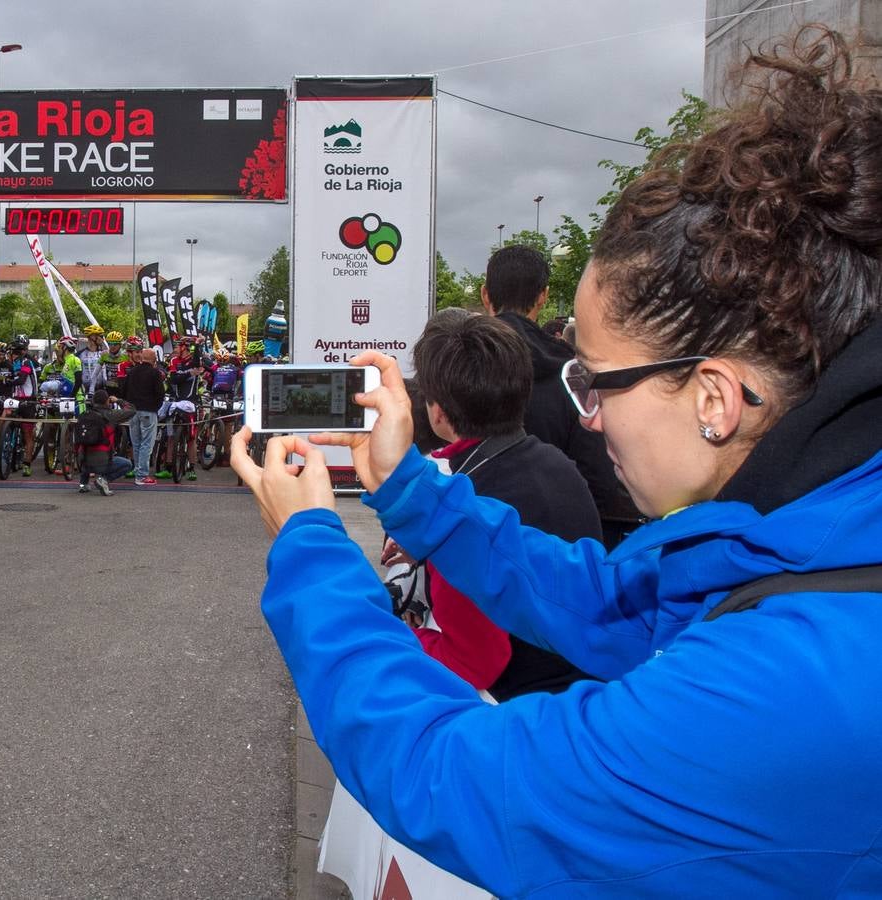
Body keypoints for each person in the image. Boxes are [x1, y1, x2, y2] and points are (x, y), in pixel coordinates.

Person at [230, 29, 882, 896]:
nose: (586, 413)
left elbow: (459, 781)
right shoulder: (797, 528)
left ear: (714, 398)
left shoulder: (793, 684)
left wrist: (310, 541)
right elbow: (604, 601)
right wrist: (401, 483)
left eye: (597, 380)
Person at [381, 310, 598, 700]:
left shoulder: (458, 501)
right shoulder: (559, 465)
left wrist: (392, 632)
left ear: (438, 411)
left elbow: (472, 661)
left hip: (514, 709)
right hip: (586, 687)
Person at [481, 244, 643, 548]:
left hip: (476, 532)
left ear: (485, 294)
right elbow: (597, 470)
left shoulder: (459, 367)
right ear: (543, 296)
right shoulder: (573, 374)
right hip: (562, 542)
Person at [76, 389, 136, 496]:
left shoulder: (84, 415)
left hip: (83, 462)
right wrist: (118, 401)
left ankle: (83, 484)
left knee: (86, 448)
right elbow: (131, 410)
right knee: (127, 464)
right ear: (107, 401)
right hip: (102, 462)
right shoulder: (111, 415)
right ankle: (104, 480)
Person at [124, 348, 165, 486]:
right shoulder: (155, 373)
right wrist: (156, 407)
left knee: (136, 442)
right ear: (154, 360)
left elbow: (124, 389)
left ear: (142, 358)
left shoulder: (132, 371)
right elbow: (160, 393)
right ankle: (142, 475)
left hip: (132, 411)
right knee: (147, 443)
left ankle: (137, 470)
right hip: (148, 410)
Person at [7, 335, 39, 476]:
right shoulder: (12, 363)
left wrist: (8, 381)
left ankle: (27, 464)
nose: (13, 355)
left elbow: (21, 380)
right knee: (5, 420)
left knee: (27, 434)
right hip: (15, 399)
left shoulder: (27, 362)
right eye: (12, 352)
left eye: (16, 352)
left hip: (28, 400)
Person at [77, 324, 110, 398]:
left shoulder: (104, 354)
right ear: (92, 337)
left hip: (102, 393)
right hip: (84, 393)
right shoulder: (80, 355)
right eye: (100, 336)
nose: (102, 339)